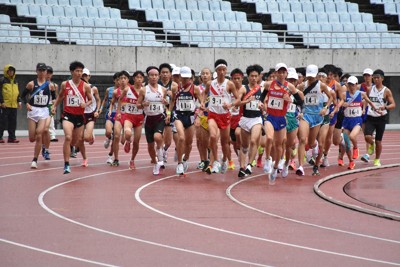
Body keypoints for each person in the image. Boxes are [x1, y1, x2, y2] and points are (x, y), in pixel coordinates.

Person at [262, 63, 302, 184]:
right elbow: (263, 95)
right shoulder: (269, 84)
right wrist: (260, 103)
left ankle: (277, 168)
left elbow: (300, 101)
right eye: (279, 72)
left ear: (286, 74)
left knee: (281, 146)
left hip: (281, 118)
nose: (281, 74)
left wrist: (290, 100)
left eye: (284, 72)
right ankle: (268, 159)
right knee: (269, 138)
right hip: (270, 116)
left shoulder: (290, 87)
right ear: (275, 73)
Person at [51, 61, 93, 174]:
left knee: (74, 141)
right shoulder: (65, 84)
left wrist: (86, 104)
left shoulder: (86, 86)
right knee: (68, 137)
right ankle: (66, 164)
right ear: (72, 71)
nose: (79, 73)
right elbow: (60, 97)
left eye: (81, 71)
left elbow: (90, 99)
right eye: (77, 71)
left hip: (79, 117)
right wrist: (54, 106)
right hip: (67, 115)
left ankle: (72, 148)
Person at [296, 64, 333, 176]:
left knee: (312, 143)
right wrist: (299, 111)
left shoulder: (321, 85)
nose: (310, 79)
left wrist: (325, 107)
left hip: (317, 117)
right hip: (306, 115)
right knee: (302, 139)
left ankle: (315, 146)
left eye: (312, 76)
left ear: (316, 75)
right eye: (309, 76)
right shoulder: (302, 86)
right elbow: (295, 97)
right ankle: (301, 166)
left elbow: (331, 97)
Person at [204, 59, 240, 174]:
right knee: (213, 137)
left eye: (224, 70)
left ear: (226, 71)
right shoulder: (210, 83)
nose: (222, 72)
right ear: (216, 71)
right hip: (213, 114)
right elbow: (204, 93)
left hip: (225, 116)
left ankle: (225, 160)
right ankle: (215, 161)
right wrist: (202, 102)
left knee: (225, 142)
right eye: (219, 70)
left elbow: (238, 98)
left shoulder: (229, 84)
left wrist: (230, 104)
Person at [167, 66, 202, 175]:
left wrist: (199, 116)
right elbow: (172, 101)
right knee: (181, 138)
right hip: (178, 115)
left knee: (189, 142)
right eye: (184, 77)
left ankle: (186, 158)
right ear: (180, 76)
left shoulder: (195, 89)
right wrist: (169, 113)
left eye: (188, 77)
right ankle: (180, 163)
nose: (186, 79)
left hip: (190, 116)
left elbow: (202, 102)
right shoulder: (175, 88)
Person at [136, 66, 169, 175]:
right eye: (151, 75)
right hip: (149, 119)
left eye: (156, 75)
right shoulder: (143, 90)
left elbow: (168, 106)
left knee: (157, 137)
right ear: (148, 77)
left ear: (158, 76)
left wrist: (167, 112)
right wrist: (143, 104)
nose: (154, 77)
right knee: (150, 145)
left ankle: (160, 156)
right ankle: (155, 162)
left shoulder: (163, 90)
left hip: (159, 117)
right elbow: (138, 105)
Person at [22, 63, 55, 168]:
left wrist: (53, 106)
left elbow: (54, 98)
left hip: (44, 111)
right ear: (36, 71)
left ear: (46, 72)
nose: (42, 72)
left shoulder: (50, 85)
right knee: (32, 138)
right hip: (33, 110)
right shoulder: (31, 84)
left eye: (43, 70)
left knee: (39, 133)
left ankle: (35, 160)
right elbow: (22, 96)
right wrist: (26, 103)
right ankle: (39, 145)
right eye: (40, 70)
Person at [341, 76, 378, 169]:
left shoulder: (361, 94)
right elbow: (340, 102)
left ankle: (356, 148)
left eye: (353, 85)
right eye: (349, 84)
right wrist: (342, 105)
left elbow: (369, 102)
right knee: (346, 143)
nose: (351, 86)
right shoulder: (344, 94)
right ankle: (351, 161)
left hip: (357, 120)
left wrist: (376, 109)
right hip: (346, 121)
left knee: (352, 136)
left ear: (356, 85)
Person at [363, 69, 396, 166]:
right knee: (367, 136)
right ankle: (371, 144)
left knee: (379, 140)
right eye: (374, 78)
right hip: (371, 116)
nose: (376, 79)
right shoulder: (370, 89)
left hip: (381, 118)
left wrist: (385, 107)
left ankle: (377, 159)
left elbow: (393, 104)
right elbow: (367, 100)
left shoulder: (386, 91)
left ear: (382, 79)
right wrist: (364, 108)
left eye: (378, 78)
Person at [236, 65, 264, 178]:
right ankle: (242, 167)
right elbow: (237, 103)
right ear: (248, 77)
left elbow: (265, 104)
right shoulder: (243, 89)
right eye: (251, 76)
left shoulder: (261, 89)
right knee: (244, 146)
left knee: (254, 141)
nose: (253, 78)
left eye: (256, 76)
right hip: (245, 119)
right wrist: (247, 101)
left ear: (258, 77)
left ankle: (249, 165)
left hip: (257, 119)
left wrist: (263, 106)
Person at [117, 70, 145, 170]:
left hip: (139, 118)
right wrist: (119, 112)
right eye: (137, 77)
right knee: (128, 133)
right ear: (133, 79)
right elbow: (120, 99)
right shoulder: (127, 89)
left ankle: (132, 160)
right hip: (128, 116)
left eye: (141, 78)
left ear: (143, 79)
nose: (139, 79)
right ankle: (128, 141)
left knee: (137, 141)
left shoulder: (145, 90)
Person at [77, 68, 101, 167]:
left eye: (86, 75)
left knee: (86, 138)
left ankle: (90, 135)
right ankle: (84, 158)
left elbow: (98, 100)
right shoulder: (76, 88)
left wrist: (97, 111)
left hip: (90, 113)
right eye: (83, 75)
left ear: (89, 76)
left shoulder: (93, 88)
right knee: (79, 139)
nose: (84, 77)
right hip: (79, 114)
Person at [158, 63, 179, 168]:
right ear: (159, 74)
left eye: (167, 72)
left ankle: (165, 150)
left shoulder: (174, 86)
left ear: (170, 74)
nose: (165, 74)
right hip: (157, 112)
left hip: (170, 112)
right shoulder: (155, 85)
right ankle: (160, 155)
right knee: (158, 136)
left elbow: (175, 101)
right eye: (163, 72)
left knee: (168, 140)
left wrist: (169, 112)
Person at [99, 72, 119, 164]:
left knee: (116, 138)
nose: (119, 81)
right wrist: (100, 109)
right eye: (117, 79)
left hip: (119, 115)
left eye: (122, 79)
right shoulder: (109, 90)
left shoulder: (125, 91)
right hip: (110, 113)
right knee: (108, 132)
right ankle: (108, 138)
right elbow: (105, 99)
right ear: (114, 80)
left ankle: (110, 156)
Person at [195, 67, 212, 171]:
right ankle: (203, 160)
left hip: (212, 116)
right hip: (199, 115)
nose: (205, 75)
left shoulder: (214, 87)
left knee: (211, 139)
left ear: (210, 75)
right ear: (200, 76)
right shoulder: (197, 88)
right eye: (203, 74)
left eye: (207, 73)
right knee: (199, 139)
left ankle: (211, 159)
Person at [0, 64, 21, 143]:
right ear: (6, 71)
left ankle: (11, 138)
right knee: (2, 122)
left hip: (14, 105)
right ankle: (0, 137)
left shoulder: (16, 81)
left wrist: (19, 101)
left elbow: (17, 92)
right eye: (9, 71)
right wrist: (1, 102)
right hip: (4, 105)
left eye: (12, 71)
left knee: (13, 122)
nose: (11, 72)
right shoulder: (2, 80)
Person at [46, 66, 59, 142]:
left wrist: (55, 106)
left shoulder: (54, 85)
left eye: (50, 73)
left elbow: (56, 96)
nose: (48, 75)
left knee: (51, 120)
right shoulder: (39, 84)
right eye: (47, 73)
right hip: (41, 105)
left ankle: (52, 136)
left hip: (50, 104)